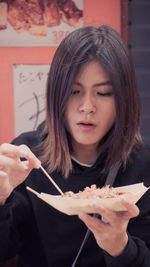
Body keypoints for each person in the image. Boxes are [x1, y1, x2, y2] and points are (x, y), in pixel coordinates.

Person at [0, 25, 150, 267]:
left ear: (124, 99)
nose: (87, 106)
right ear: (56, 93)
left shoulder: (143, 168)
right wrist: (1, 198)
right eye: (74, 91)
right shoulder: (27, 157)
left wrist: (120, 247)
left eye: (103, 93)